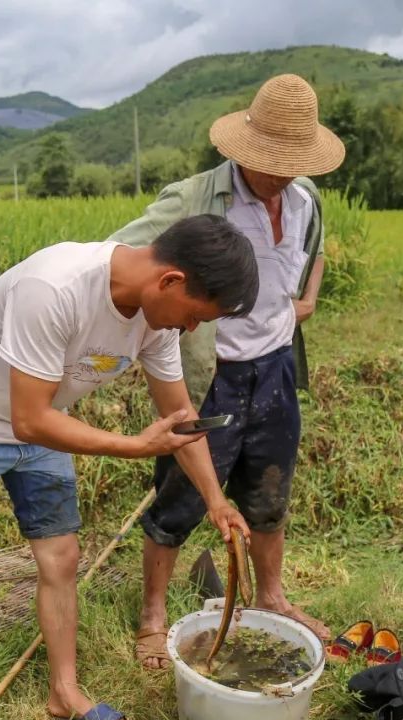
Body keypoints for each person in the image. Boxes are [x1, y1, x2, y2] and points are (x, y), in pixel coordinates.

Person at [0, 215, 257, 720]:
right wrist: (134, 446)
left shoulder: (156, 321)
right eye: (194, 317)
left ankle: (64, 692)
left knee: (61, 559)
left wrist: (216, 500)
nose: (188, 330)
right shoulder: (55, 288)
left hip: (48, 420)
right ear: (171, 281)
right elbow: (29, 421)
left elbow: (181, 417)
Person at [108, 74, 344, 669]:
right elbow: (118, 261)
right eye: (274, 161)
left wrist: (300, 306)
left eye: (295, 162)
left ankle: (271, 596)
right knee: (180, 497)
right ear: (244, 147)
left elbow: (309, 258)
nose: (282, 174)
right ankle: (153, 617)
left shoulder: (306, 200)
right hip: (211, 375)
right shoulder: (192, 200)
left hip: (275, 369)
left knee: (269, 491)